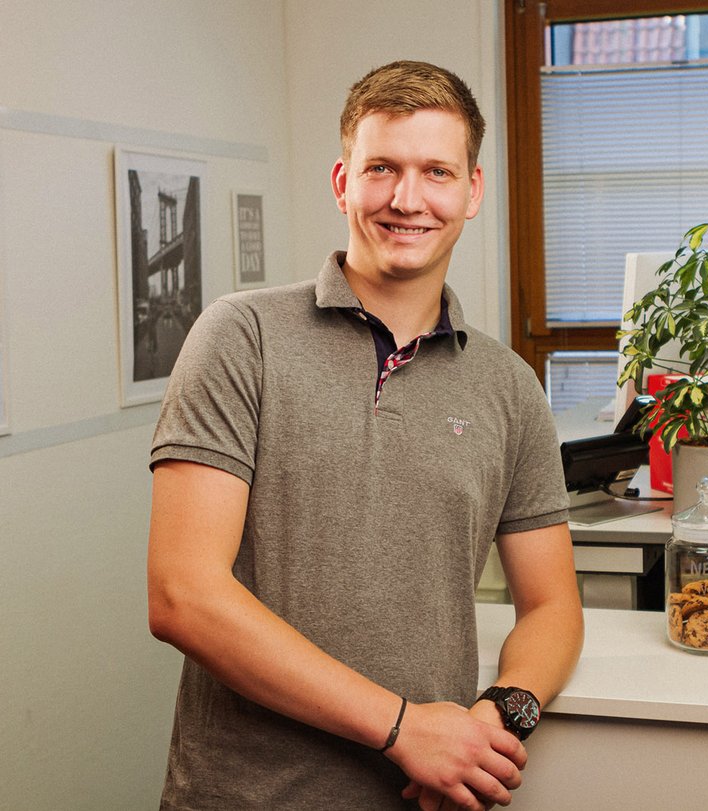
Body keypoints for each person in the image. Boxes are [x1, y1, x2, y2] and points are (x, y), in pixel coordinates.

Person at [147, 59, 584, 811]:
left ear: (472, 191)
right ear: (344, 181)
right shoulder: (242, 337)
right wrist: (402, 726)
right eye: (382, 168)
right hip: (242, 796)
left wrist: (499, 713)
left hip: (423, 799)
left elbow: (552, 607)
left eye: (436, 172)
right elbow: (183, 594)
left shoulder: (509, 386)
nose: (406, 199)